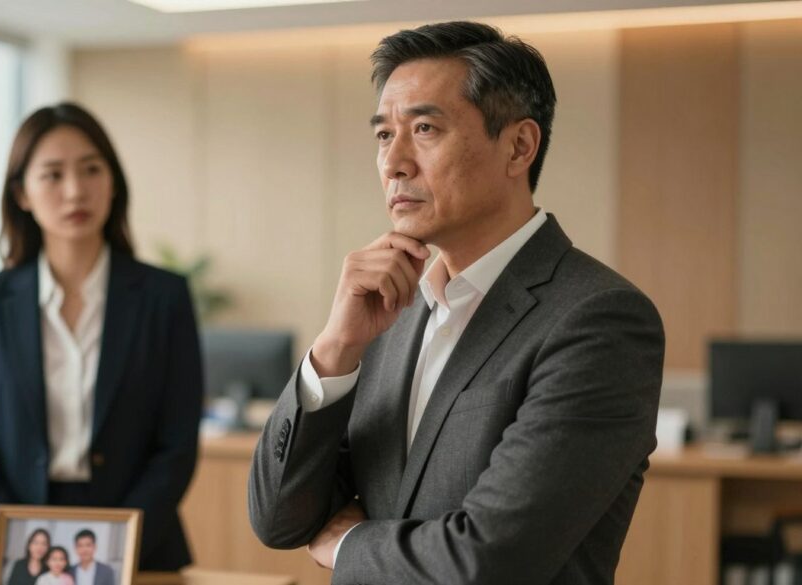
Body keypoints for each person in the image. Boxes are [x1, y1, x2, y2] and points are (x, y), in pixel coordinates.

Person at [248, 21, 665, 584]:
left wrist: (346, 543)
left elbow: (490, 560)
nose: (393, 162)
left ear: (518, 146)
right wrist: (335, 348)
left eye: (423, 128)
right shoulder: (389, 313)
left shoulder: (599, 319)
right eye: (382, 135)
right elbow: (278, 520)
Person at [0, 102, 203, 573]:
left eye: (91, 170)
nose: (75, 191)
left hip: (139, 543)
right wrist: (21, 549)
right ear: (22, 193)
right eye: (52, 174)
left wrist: (115, 547)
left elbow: (177, 444)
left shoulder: (164, 297)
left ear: (113, 183)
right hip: (9, 543)